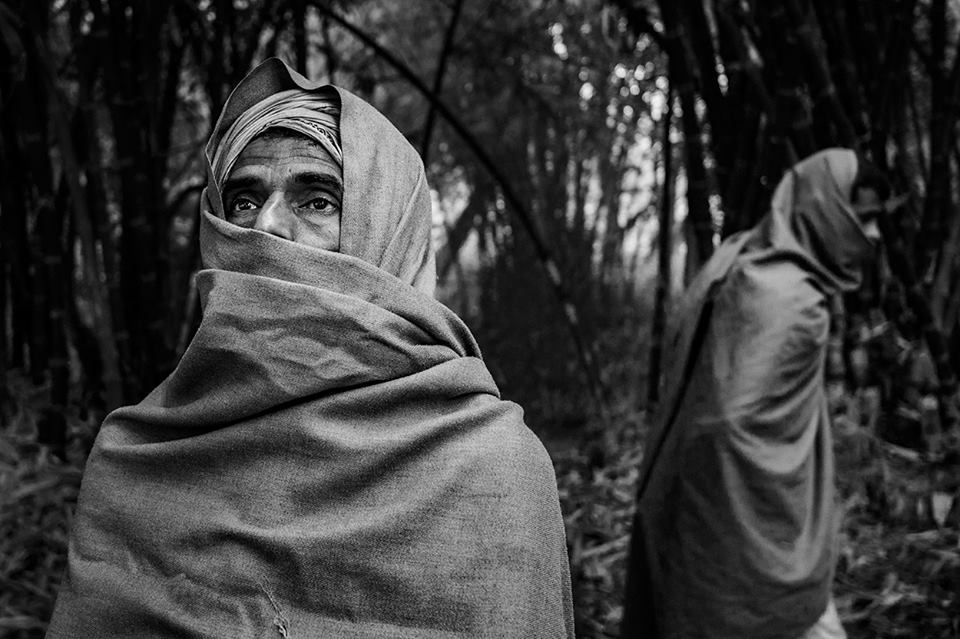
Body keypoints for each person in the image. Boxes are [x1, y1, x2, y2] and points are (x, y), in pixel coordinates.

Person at [47, 58, 574, 639]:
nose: (267, 225)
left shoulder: (492, 467)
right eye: (243, 201)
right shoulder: (138, 460)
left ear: (388, 234)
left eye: (318, 201)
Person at [621, 149, 889, 639]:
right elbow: (728, 421)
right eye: (863, 218)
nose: (873, 235)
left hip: (690, 502)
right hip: (745, 525)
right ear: (826, 209)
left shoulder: (740, 263)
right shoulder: (790, 298)